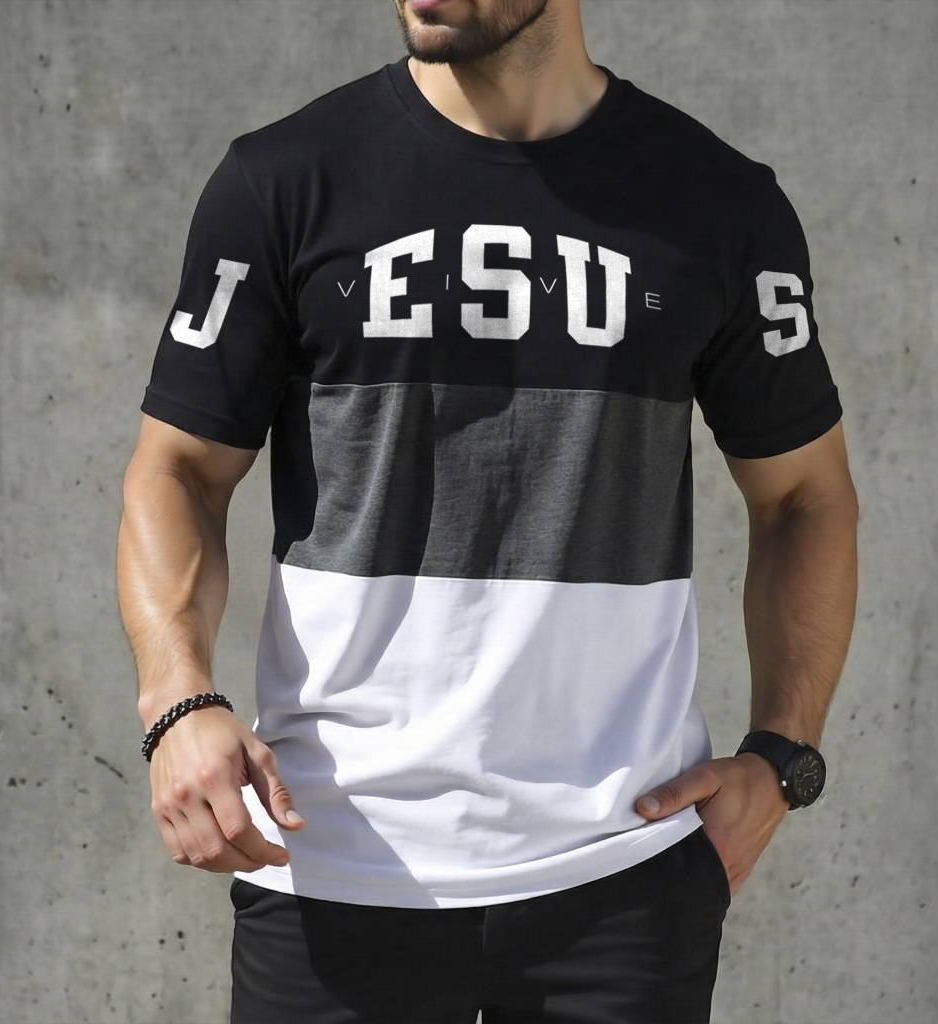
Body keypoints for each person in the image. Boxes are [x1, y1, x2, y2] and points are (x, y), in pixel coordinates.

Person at [117, 1, 858, 1021]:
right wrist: (177, 699)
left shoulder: (717, 203)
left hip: (622, 877)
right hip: (331, 865)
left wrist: (783, 755)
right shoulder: (283, 181)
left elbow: (805, 497)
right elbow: (177, 471)